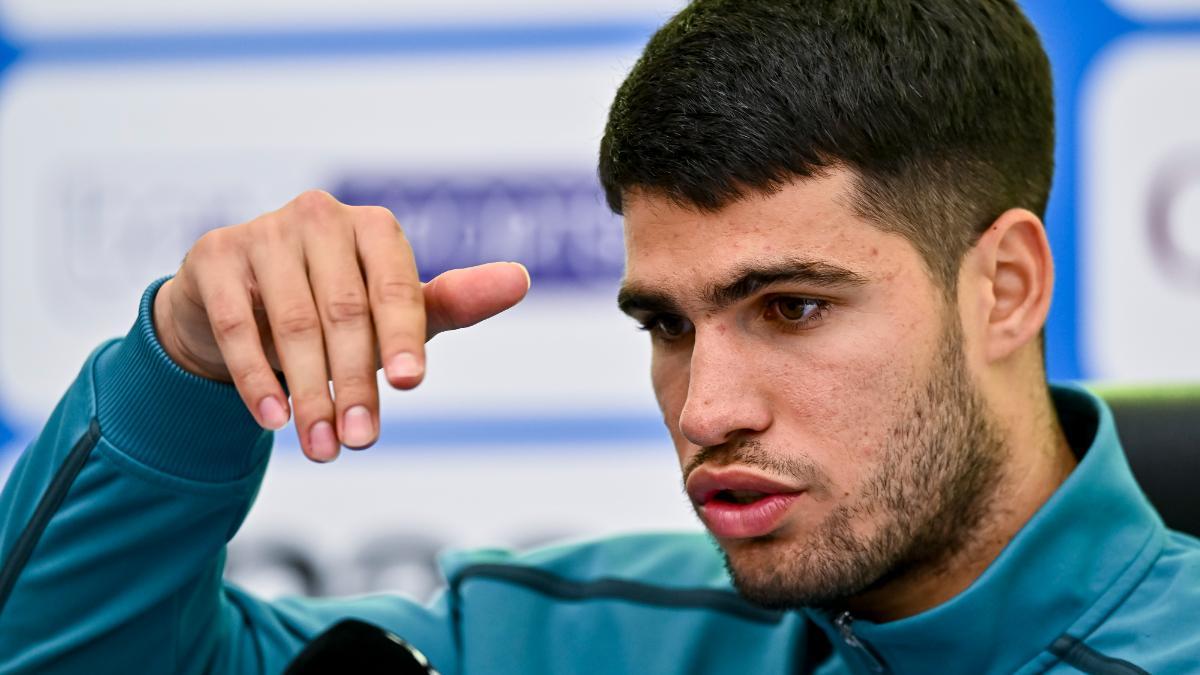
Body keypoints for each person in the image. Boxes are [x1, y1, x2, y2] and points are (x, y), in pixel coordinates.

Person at [0, 0, 1197, 672]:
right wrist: (189, 371)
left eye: (792, 308)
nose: (706, 405)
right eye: (668, 325)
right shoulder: (577, 634)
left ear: (1005, 286)